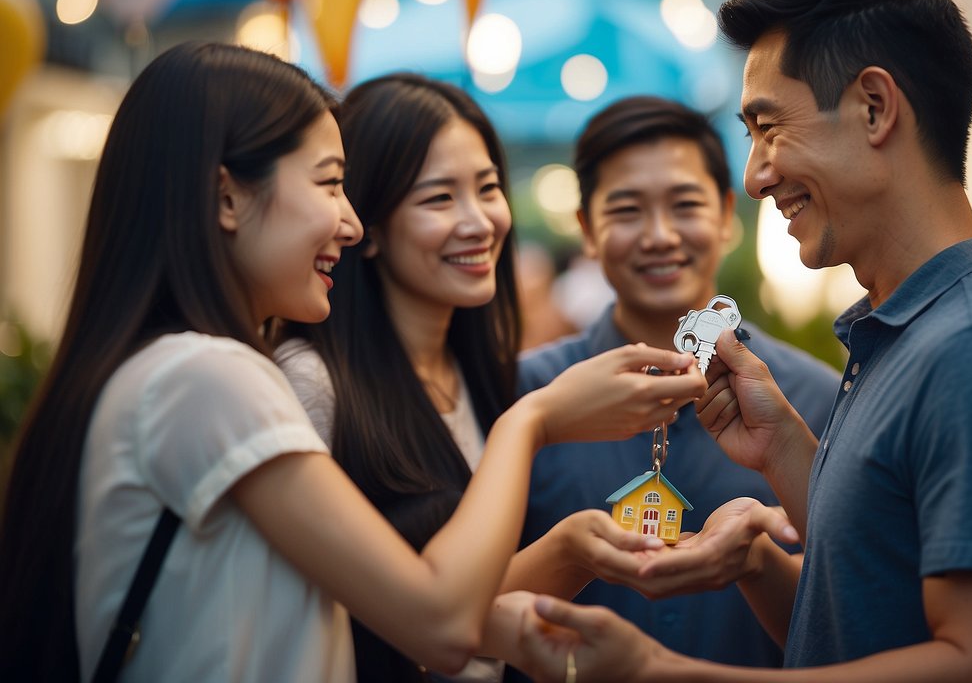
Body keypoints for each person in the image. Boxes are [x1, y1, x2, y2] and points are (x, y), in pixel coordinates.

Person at [0, 43, 704, 681]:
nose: (350, 220)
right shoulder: (209, 377)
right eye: (330, 183)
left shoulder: (167, 372)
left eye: (487, 188)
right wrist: (534, 419)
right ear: (223, 196)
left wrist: (540, 596)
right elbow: (438, 621)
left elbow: (332, 608)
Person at [515, 0, 972, 683]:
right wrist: (777, 485)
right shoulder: (902, 340)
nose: (757, 176)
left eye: (769, 128)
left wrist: (659, 672)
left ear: (873, 107)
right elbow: (866, 616)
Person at [276, 74, 707, 682]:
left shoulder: (482, 375)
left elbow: (464, 613)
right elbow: (396, 623)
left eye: (487, 188)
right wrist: (537, 423)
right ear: (364, 227)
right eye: (438, 198)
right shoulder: (313, 387)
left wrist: (573, 549)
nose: (479, 222)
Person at [508, 95, 839, 674]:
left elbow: (849, 612)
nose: (659, 236)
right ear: (587, 229)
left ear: (724, 216)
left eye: (685, 204)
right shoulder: (526, 396)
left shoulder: (813, 400)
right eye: (627, 210)